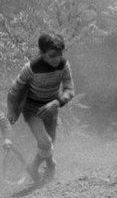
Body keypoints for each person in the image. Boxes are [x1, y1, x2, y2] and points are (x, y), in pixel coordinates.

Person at [6, 33, 75, 184]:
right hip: (32, 109)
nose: (57, 59)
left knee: (49, 143)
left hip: (51, 107)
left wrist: (56, 103)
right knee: (45, 142)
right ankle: (51, 165)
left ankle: (38, 166)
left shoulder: (64, 65)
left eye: (59, 54)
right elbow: (14, 91)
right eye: (52, 55)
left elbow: (70, 90)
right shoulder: (30, 68)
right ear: (42, 54)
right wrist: (11, 111)